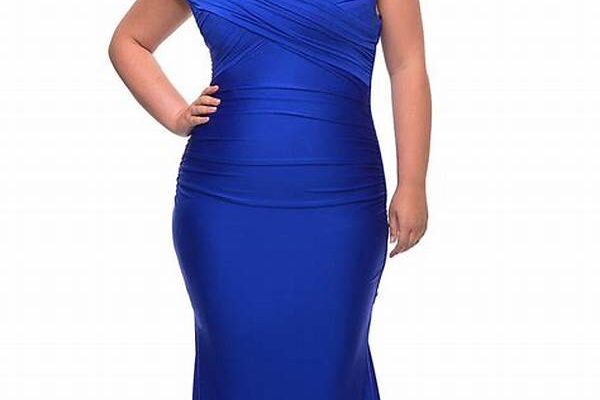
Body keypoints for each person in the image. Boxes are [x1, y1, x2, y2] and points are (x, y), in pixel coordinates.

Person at [108, 0, 431, 398]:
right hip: (224, 206)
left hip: (341, 205)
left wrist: (412, 182)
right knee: (236, 367)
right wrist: (175, 114)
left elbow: (407, 65)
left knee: (330, 365)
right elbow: (129, 41)